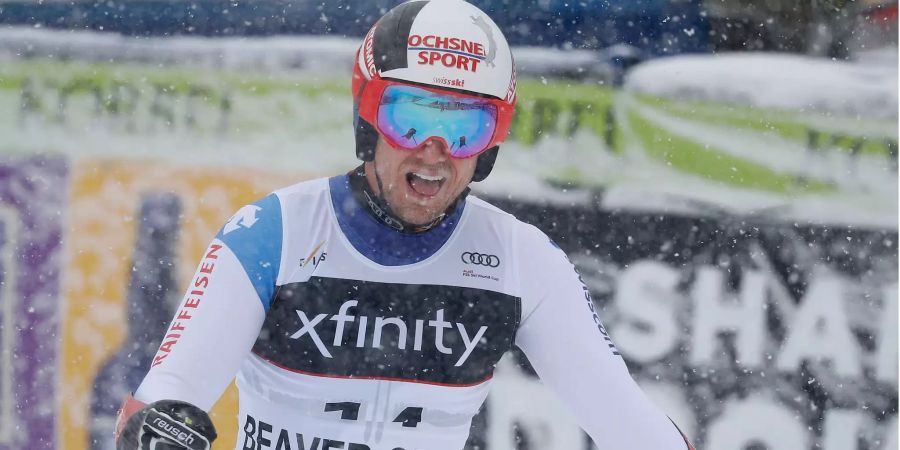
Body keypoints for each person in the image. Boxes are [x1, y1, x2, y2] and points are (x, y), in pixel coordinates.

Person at [115, 1, 696, 449]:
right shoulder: (274, 231)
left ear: (490, 146)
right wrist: (162, 426)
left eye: (465, 128)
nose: (435, 153)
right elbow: (165, 397)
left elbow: (629, 424)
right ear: (368, 120)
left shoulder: (523, 260)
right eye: (411, 119)